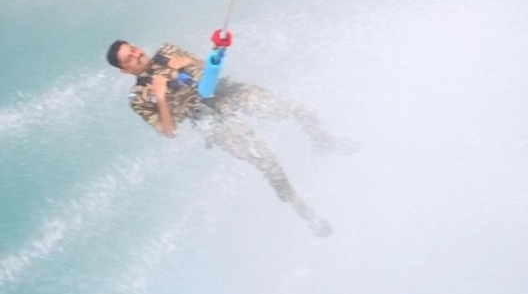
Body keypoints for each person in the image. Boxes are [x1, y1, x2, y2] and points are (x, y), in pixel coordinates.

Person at [106, 40, 357, 237]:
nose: (138, 55)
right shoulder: (138, 97)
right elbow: (168, 131)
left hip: (227, 92)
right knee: (268, 163)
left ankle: (323, 141)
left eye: (135, 49)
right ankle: (307, 214)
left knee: (299, 109)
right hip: (212, 121)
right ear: (124, 70)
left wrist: (188, 60)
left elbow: (210, 66)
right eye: (130, 58)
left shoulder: (167, 51)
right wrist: (160, 96)